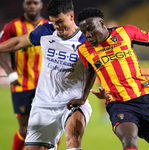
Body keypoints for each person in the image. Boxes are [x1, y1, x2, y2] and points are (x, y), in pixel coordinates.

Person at [77, 7, 149, 150]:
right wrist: (83, 97)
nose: (87, 35)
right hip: (118, 103)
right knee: (129, 141)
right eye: (83, 32)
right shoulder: (84, 49)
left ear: (101, 23)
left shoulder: (126, 32)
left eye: (90, 29)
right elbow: (89, 73)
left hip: (144, 98)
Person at [0, 0, 96, 150]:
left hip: (72, 101)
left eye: (60, 21)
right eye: (53, 22)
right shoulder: (45, 31)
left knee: (73, 138)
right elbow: (18, 43)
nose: (57, 26)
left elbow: (92, 70)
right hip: (43, 104)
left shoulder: (85, 40)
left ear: (71, 16)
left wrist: (83, 97)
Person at [0, 0, 49, 150]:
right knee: (25, 128)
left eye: (35, 3)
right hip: (22, 84)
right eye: (28, 3)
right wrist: (10, 72)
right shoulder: (13, 26)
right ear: (24, 5)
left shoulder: (48, 25)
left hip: (45, 85)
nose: (32, 6)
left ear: (41, 5)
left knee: (50, 125)